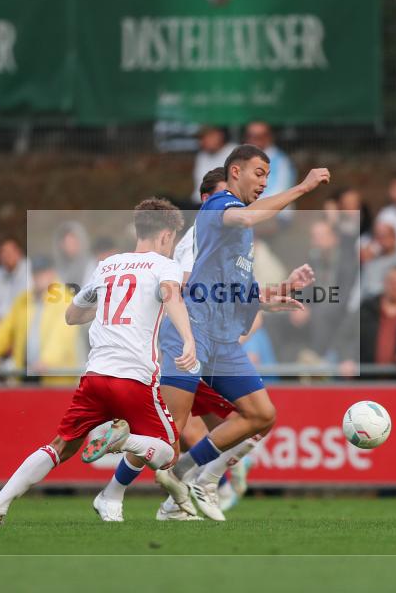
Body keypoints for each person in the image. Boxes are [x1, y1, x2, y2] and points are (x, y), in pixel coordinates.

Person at [0, 199, 197, 524]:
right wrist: (188, 338)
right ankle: (123, 439)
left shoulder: (108, 265)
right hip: (134, 377)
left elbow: (71, 315)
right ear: (166, 235)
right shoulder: (164, 265)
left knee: (59, 446)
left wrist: (108, 306)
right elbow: (170, 295)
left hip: (94, 376)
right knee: (167, 452)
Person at [155, 145, 328, 521]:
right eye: (259, 173)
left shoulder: (242, 236)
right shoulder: (220, 205)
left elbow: (234, 288)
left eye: (268, 175)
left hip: (221, 338)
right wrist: (301, 188)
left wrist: (275, 294)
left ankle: (193, 479)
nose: (264, 182)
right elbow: (241, 223)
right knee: (171, 429)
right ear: (235, 172)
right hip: (193, 332)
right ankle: (115, 496)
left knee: (261, 414)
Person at [0, 256, 77, 383]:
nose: (39, 277)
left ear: (52, 273)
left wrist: (46, 361)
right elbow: (0, 336)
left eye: (43, 272)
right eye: (36, 273)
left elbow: (62, 336)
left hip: (57, 379)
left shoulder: (66, 299)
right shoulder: (22, 301)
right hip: (26, 376)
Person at [190, 126, 235, 203]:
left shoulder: (234, 153)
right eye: (200, 138)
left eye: (206, 137)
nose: (202, 141)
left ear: (219, 136)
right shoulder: (202, 156)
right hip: (199, 204)